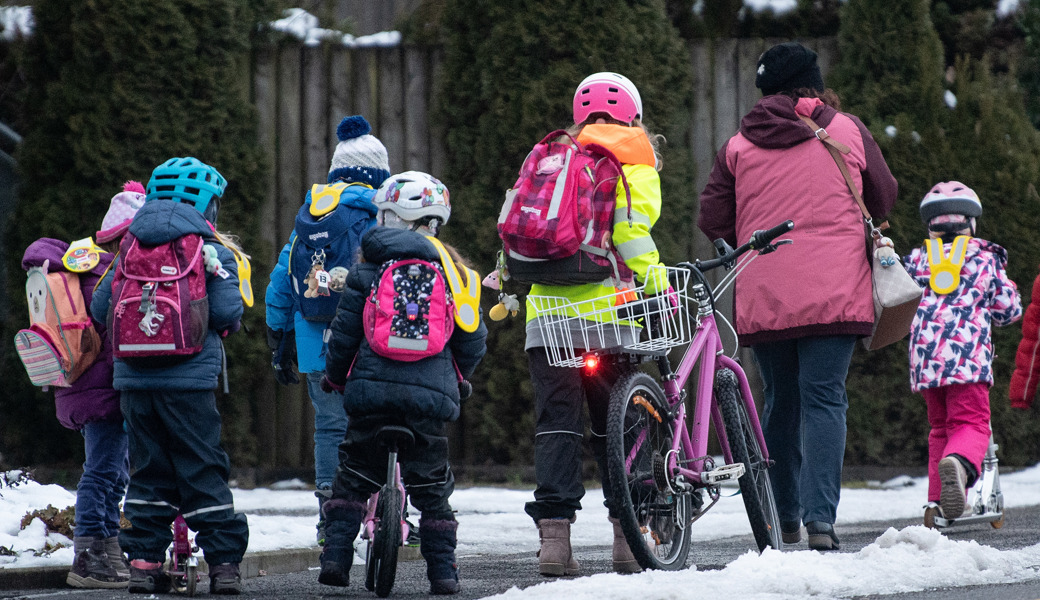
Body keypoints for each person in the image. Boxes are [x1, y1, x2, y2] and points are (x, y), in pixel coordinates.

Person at [698, 41, 899, 551]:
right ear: (813, 83)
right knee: (824, 398)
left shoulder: (737, 145)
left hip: (767, 293)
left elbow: (713, 220)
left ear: (764, 89)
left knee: (781, 400)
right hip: (835, 293)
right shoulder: (846, 129)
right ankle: (820, 523)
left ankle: (784, 517)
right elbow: (883, 194)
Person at [522, 72, 670, 576]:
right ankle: (628, 541)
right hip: (611, 316)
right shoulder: (634, 158)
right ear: (634, 117)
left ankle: (554, 546)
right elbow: (631, 234)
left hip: (549, 319)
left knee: (557, 426)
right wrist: (657, 283)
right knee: (621, 428)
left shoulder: (550, 156)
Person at [316, 171, 487, 595]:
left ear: (388, 218)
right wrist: (457, 380)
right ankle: (443, 574)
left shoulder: (367, 270)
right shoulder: (455, 274)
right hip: (428, 402)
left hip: (371, 395)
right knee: (432, 490)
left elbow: (344, 336)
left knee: (353, 475)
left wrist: (336, 379)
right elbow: (473, 340)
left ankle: (335, 559)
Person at [90, 157, 250, 595]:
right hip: (190, 383)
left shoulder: (129, 245)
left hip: (134, 384)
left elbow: (99, 308)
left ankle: (142, 564)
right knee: (202, 468)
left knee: (148, 470)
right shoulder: (209, 249)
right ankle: (223, 567)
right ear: (208, 205)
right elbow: (228, 311)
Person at [265, 115, 391, 542]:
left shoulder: (310, 220)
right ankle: (385, 514)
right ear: (379, 176)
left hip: (317, 343)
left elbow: (281, 285)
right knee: (381, 423)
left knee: (330, 426)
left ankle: (329, 518)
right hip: (373, 343)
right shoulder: (383, 218)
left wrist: (278, 339)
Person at [20, 182, 145, 588]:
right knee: (103, 471)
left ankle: (106, 547)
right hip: (101, 389)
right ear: (126, 235)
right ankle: (88, 557)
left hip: (86, 387)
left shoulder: (89, 268)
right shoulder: (109, 274)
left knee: (113, 471)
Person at [903, 182, 1021, 521]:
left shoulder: (916, 261)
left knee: (940, 428)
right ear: (970, 224)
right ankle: (961, 465)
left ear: (932, 227)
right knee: (971, 423)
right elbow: (1008, 310)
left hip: (926, 362)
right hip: (966, 361)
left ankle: (937, 505)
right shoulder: (984, 259)